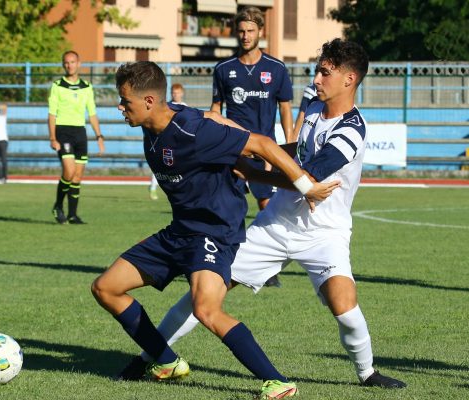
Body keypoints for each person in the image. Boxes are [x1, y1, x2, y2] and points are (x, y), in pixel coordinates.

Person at [120, 39, 407, 390]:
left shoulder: (352, 129)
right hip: (274, 226)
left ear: (349, 79)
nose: (316, 79)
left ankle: (368, 373)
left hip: (325, 232)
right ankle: (150, 357)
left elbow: (311, 174)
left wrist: (250, 167)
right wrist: (255, 151)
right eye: (318, 70)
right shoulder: (316, 109)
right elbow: (296, 152)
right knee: (203, 296)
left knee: (343, 304)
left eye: (324, 72)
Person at [91, 61, 339, 399]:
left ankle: (277, 381)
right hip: (179, 231)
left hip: (213, 234)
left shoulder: (193, 131)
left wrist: (304, 186)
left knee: (205, 309)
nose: (120, 108)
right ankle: (165, 361)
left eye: (125, 102)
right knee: (106, 287)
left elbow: (263, 145)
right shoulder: (159, 124)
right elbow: (237, 160)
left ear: (149, 101)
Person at [211, 6, 295, 212]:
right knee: (228, 206)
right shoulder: (223, 69)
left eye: (250, 31)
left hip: (265, 150)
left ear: (260, 32)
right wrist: (213, 141)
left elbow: (285, 109)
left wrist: (290, 146)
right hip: (234, 150)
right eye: (241, 31)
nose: (245, 36)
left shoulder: (276, 68)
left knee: (269, 206)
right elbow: (215, 108)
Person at [48, 50, 105, 224]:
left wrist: (99, 136)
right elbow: (52, 114)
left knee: (77, 176)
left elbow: (92, 114)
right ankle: (58, 206)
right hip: (63, 132)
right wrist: (52, 138)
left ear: (79, 64)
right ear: (63, 64)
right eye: (66, 62)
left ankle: (72, 214)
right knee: (69, 171)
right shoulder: (57, 86)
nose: (69, 65)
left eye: (72, 62)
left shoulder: (87, 87)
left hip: (80, 133)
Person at [149, 83, 187, 201]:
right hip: (166, 139)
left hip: (179, 141)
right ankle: (153, 187)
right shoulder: (167, 106)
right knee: (162, 165)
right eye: (174, 93)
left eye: (178, 92)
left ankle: (179, 188)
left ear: (182, 93)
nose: (176, 95)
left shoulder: (186, 106)